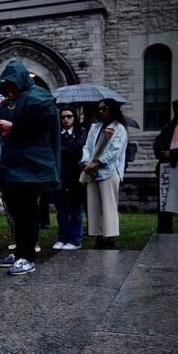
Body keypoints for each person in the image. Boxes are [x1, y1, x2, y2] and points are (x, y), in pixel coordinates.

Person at [0, 60, 60, 275]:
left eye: (12, 83)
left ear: (19, 81)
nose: (9, 88)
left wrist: (15, 127)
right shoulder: (7, 104)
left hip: (31, 167)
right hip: (11, 167)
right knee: (15, 213)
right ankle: (20, 251)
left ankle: (27, 256)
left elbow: (45, 122)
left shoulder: (39, 97)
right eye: (6, 85)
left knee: (27, 213)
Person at [81, 100, 128, 249]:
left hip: (108, 170)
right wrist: (85, 162)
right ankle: (99, 236)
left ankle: (110, 238)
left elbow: (114, 150)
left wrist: (98, 162)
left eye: (105, 108)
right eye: (99, 109)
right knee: (94, 205)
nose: (101, 111)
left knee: (108, 205)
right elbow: (88, 146)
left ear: (112, 110)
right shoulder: (95, 127)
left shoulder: (119, 128)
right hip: (92, 171)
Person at [153, 95, 178, 233]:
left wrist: (173, 153)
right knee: (165, 203)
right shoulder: (170, 126)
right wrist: (165, 153)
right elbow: (158, 144)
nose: (177, 111)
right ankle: (164, 231)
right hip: (168, 169)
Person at [52, 107, 87, 249]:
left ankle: (75, 239)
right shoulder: (57, 134)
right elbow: (53, 149)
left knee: (75, 209)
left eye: (69, 116)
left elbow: (77, 149)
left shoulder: (81, 132)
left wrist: (64, 150)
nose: (66, 119)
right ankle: (62, 237)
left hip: (75, 175)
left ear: (74, 118)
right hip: (61, 174)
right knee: (61, 209)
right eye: (63, 117)